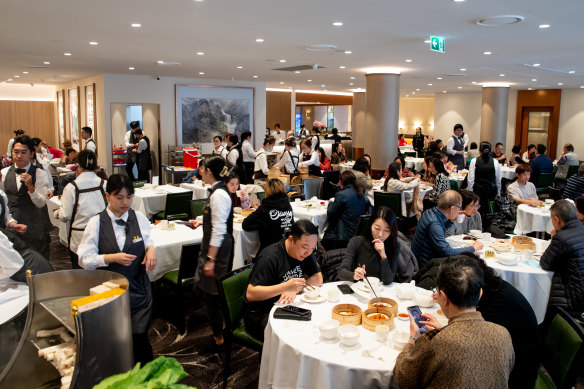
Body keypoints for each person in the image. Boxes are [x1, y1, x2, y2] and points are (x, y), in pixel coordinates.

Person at [393, 255, 515, 389]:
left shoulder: (434, 341)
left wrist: (412, 338)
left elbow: (402, 378)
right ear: (480, 294)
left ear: (443, 298)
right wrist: (444, 330)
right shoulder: (503, 335)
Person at [77, 174, 156, 364]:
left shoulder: (139, 217)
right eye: (119, 197)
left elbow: (148, 239)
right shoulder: (96, 223)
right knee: (115, 341)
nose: (125, 202)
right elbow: (84, 258)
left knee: (140, 339)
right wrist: (111, 258)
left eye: (129, 197)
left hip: (138, 289)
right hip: (110, 292)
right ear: (107, 196)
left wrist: (151, 249)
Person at [461, 253, 539, 389]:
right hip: (512, 355)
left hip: (516, 372)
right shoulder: (494, 288)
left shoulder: (499, 303)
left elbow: (473, 344)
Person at [244, 220, 323, 340]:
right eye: (305, 247)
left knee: (316, 325)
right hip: (261, 314)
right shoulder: (270, 257)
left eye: (313, 248)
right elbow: (250, 293)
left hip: (285, 305)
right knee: (297, 336)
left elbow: (318, 279)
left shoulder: (306, 252)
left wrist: (294, 289)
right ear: (291, 239)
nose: (308, 252)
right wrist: (285, 287)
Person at [189, 156, 234, 354]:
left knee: (213, 297)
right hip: (217, 248)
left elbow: (219, 230)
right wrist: (201, 220)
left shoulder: (219, 195)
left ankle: (219, 338)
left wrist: (211, 259)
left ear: (209, 171)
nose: (200, 171)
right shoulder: (217, 192)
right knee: (208, 293)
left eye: (202, 168)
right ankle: (221, 332)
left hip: (218, 251)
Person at [54, 150, 107, 268]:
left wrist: (57, 212)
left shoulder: (71, 187)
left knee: (82, 276)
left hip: (80, 238)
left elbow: (65, 216)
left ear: (78, 166)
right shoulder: (105, 184)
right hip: (103, 234)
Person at [1, 135, 52, 259]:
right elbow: (2, 200)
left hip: (34, 225)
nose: (19, 156)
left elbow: (41, 203)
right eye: (16, 152)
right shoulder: (4, 172)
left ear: (31, 154)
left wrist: (31, 187)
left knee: (37, 260)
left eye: (23, 152)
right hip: (11, 225)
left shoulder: (40, 173)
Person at [411, 190, 483, 267]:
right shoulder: (434, 224)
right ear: (452, 208)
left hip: (418, 258)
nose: (460, 210)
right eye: (460, 207)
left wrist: (451, 220)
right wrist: (473, 248)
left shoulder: (430, 212)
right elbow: (447, 253)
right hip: (425, 264)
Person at [540, 200, 584, 313]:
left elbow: (546, 263)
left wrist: (555, 238)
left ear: (556, 219)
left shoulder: (562, 237)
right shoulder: (581, 227)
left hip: (572, 295)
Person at [338, 205, 400, 285]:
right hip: (359, 290)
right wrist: (354, 275)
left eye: (386, 230)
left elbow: (388, 280)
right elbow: (341, 272)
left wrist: (383, 256)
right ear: (371, 225)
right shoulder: (357, 241)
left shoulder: (394, 245)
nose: (380, 234)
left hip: (380, 292)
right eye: (377, 228)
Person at [242, 179, 293, 257]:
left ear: (267, 192)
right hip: (288, 249)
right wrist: (260, 208)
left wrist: (259, 209)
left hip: (270, 253)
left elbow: (246, 225)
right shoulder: (287, 205)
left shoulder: (265, 209)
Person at [322, 171, 369, 250]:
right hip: (356, 231)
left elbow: (331, 213)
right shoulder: (360, 193)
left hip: (343, 234)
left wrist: (330, 204)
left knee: (323, 237)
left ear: (341, 181)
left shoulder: (342, 194)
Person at [468, 141, 501, 217]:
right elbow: (498, 180)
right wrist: (498, 192)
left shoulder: (474, 161)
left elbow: (471, 180)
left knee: (477, 210)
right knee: (489, 211)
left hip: (478, 190)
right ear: (490, 151)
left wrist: (470, 192)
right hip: (491, 190)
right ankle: (488, 226)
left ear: (479, 151)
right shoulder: (495, 162)